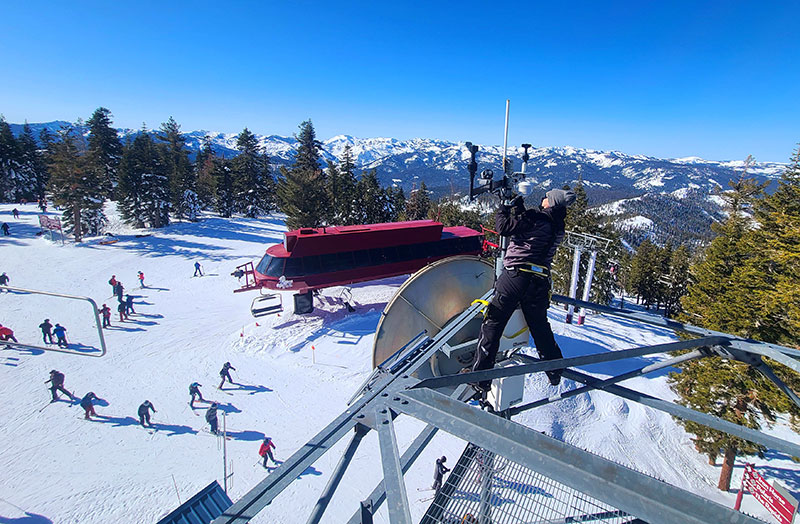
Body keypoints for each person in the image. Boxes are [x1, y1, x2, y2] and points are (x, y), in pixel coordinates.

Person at [472, 189, 576, 390]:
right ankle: (555, 370)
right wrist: (520, 208)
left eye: (547, 197)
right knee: (540, 327)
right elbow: (529, 228)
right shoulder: (557, 226)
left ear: (552, 202)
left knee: (493, 322)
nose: (543, 199)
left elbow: (504, 227)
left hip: (516, 277)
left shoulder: (536, 218)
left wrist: (503, 208)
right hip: (539, 282)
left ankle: (480, 378)